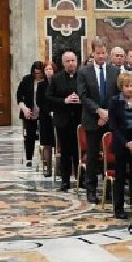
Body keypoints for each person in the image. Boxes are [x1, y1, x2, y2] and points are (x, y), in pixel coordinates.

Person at [78, 40, 116, 204]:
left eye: (103, 53)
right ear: (93, 53)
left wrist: (107, 113)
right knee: (92, 156)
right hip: (92, 119)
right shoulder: (84, 72)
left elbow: (117, 94)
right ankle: (91, 189)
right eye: (98, 53)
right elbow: (83, 96)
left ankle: (110, 188)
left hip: (110, 119)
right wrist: (98, 111)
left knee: (112, 154)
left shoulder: (114, 71)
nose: (101, 56)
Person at [106, 70, 132, 221]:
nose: (130, 89)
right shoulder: (114, 101)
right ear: (121, 87)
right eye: (127, 86)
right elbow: (113, 125)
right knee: (120, 176)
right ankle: (119, 208)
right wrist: (125, 142)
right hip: (121, 142)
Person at [47, 51, 82, 191]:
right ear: (63, 63)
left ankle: (81, 180)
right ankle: (65, 181)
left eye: (73, 60)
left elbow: (90, 94)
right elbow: (49, 98)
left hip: (80, 120)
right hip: (63, 120)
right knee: (65, 152)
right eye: (67, 61)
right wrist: (64, 101)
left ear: (77, 61)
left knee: (79, 152)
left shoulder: (83, 76)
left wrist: (80, 100)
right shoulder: (56, 78)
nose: (71, 63)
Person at [16, 60, 44, 167]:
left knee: (44, 135)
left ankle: (44, 157)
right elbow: (19, 97)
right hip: (29, 111)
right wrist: (24, 108)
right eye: (35, 73)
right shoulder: (27, 80)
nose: (37, 75)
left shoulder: (46, 81)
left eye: (39, 73)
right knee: (30, 135)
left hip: (43, 112)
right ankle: (29, 158)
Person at [36, 60, 56, 176]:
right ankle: (47, 167)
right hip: (45, 117)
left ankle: (59, 168)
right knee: (47, 143)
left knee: (58, 142)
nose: (49, 71)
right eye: (46, 69)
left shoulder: (58, 83)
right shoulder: (41, 85)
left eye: (50, 69)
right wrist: (48, 111)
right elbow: (39, 101)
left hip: (57, 115)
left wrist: (55, 110)